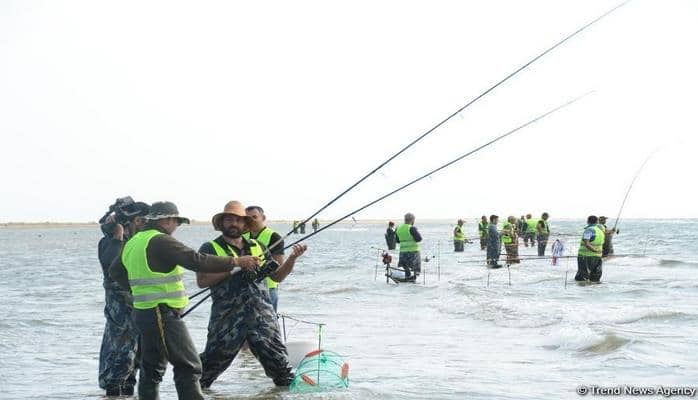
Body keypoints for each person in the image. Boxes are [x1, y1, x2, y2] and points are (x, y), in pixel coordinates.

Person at [108, 201, 254, 400]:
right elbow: (196, 260)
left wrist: (140, 289)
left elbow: (115, 272)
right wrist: (236, 261)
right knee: (189, 365)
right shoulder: (161, 241)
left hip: (144, 312)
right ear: (167, 220)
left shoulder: (133, 241)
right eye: (176, 222)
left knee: (152, 367)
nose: (176, 227)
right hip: (162, 312)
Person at [196, 200, 307, 389]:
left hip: (263, 319)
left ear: (245, 224)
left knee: (283, 372)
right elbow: (202, 281)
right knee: (206, 373)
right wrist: (236, 264)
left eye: (239, 220)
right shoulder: (210, 248)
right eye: (229, 219)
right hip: (227, 320)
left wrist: (292, 259)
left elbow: (277, 277)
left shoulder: (259, 245)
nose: (234, 224)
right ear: (222, 223)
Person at [97, 200, 150, 396]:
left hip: (140, 303)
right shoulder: (110, 242)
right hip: (120, 306)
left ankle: (127, 391)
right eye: (141, 220)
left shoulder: (139, 241)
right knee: (122, 349)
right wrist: (117, 236)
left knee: (138, 354)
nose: (144, 224)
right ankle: (113, 390)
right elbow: (111, 266)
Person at [243, 205, 285, 312]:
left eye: (254, 217)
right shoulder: (242, 236)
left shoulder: (274, 237)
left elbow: (278, 267)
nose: (251, 221)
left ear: (263, 217)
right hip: (245, 288)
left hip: (268, 289)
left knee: (269, 325)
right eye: (247, 218)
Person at [575, 215, 605, 283]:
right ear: (597, 221)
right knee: (595, 277)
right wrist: (597, 251)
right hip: (598, 256)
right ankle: (593, 291)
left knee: (582, 277)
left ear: (588, 221)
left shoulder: (589, 230)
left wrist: (595, 250)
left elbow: (587, 244)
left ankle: (582, 292)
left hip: (585, 256)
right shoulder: (600, 230)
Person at [396, 213, 423, 279]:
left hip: (402, 252)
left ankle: (405, 282)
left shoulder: (398, 228)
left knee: (405, 270)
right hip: (413, 252)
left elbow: (397, 241)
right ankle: (413, 283)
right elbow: (419, 239)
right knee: (414, 271)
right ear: (412, 220)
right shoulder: (412, 228)